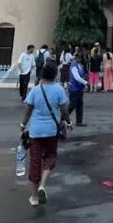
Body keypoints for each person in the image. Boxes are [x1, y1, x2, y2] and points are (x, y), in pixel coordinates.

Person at [20, 61, 72, 206]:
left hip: (35, 132)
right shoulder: (59, 90)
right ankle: (43, 184)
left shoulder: (35, 90)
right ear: (55, 74)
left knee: (35, 161)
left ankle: (34, 197)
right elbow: (64, 110)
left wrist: (23, 125)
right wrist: (68, 122)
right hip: (51, 131)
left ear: (42, 74)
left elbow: (28, 111)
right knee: (50, 156)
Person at [67, 56, 88, 126]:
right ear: (75, 59)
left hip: (79, 88)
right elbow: (77, 77)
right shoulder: (73, 66)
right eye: (77, 58)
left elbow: (82, 76)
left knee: (79, 105)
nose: (79, 59)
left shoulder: (80, 66)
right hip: (73, 88)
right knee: (72, 105)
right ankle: (62, 118)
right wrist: (85, 82)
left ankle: (79, 121)